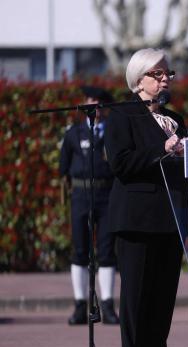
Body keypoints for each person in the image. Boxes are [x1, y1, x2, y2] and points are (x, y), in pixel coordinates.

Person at [104, 48, 188, 347]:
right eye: (158, 73)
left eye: (168, 73)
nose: (165, 78)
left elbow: (184, 167)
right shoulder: (122, 116)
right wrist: (163, 151)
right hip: (137, 218)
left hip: (170, 217)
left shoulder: (176, 118)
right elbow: (121, 164)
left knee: (163, 295)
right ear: (139, 80)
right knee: (136, 295)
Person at [59, 85, 119, 326]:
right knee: (80, 251)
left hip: (106, 194)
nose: (92, 104)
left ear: (105, 107)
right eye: (89, 100)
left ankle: (107, 305)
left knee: (106, 251)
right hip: (82, 195)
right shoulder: (74, 133)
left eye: (97, 101)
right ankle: (80, 306)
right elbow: (63, 167)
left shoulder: (113, 133)